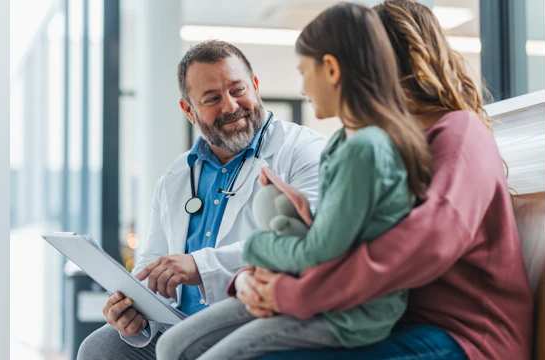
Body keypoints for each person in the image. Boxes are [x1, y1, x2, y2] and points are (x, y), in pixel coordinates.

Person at [233, 1, 534, 359]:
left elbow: (426, 243)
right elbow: (352, 239)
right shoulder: (382, 142)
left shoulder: (460, 133)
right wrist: (252, 276)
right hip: (388, 318)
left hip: (464, 335)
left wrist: (295, 294)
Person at [154, 3, 433, 360]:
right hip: (314, 289)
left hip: (345, 311)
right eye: (211, 99)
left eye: (304, 72)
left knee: (197, 352)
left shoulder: (362, 148)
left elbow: (321, 248)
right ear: (189, 109)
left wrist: (257, 248)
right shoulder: (343, 143)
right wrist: (297, 216)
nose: (301, 88)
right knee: (170, 344)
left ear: (331, 70)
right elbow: (333, 230)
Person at [76, 40, 327, 359]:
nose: (231, 106)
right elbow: (153, 258)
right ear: (188, 110)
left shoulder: (303, 151)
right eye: (212, 98)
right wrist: (133, 311)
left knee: (178, 347)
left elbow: (305, 241)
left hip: (252, 312)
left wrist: (201, 266)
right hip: (176, 320)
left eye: (238, 90)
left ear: (256, 86)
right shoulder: (177, 175)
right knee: (100, 348)